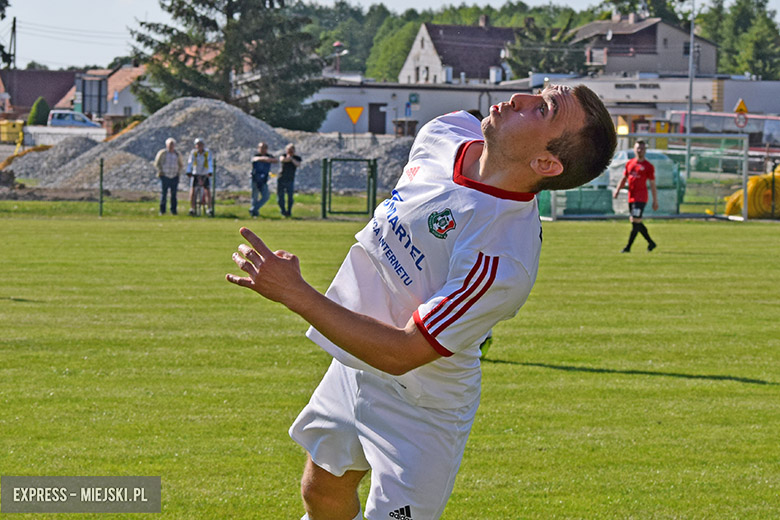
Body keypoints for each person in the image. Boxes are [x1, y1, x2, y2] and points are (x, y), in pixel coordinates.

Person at [227, 84, 616, 520]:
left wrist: (296, 293)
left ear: (546, 162)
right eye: (537, 92)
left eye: (543, 108)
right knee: (319, 493)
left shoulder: (502, 256)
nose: (521, 98)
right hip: (355, 360)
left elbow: (403, 353)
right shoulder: (446, 130)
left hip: (420, 403)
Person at [613, 139, 658, 252]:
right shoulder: (630, 163)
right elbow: (624, 178)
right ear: (634, 149)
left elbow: (652, 184)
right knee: (635, 221)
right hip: (631, 197)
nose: (640, 150)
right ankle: (651, 243)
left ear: (645, 151)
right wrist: (617, 190)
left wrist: (655, 200)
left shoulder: (648, 166)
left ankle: (628, 247)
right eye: (638, 148)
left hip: (641, 198)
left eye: (642, 148)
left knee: (635, 220)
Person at [153, 137, 183, 215]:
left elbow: (181, 164)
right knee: (164, 193)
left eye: (172, 144)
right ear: (167, 145)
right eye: (170, 144)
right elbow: (157, 163)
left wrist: (178, 172)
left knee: (174, 194)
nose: (171, 146)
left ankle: (173, 210)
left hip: (174, 176)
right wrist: (160, 171)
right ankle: (162, 210)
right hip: (165, 175)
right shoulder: (163, 153)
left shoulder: (177, 154)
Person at [249, 142, 278, 217]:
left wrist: (268, 159)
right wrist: (265, 159)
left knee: (266, 196)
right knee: (254, 197)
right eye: (261, 148)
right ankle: (254, 213)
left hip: (264, 180)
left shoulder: (269, 156)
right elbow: (254, 159)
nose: (262, 149)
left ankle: (254, 209)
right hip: (255, 179)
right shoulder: (256, 155)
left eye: (264, 148)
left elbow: (276, 160)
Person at [186, 138, 214, 216]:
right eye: (198, 144)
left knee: (207, 191)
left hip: (205, 173)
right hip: (196, 173)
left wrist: (210, 171)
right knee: (193, 191)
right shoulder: (194, 153)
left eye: (201, 144)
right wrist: (188, 171)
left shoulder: (207, 153)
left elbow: (209, 161)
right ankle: (192, 208)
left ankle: (209, 209)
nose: (199, 146)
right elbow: (190, 162)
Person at [277, 143, 301, 217]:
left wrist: (291, 159)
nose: (290, 152)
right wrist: (288, 158)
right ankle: (283, 211)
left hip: (290, 179)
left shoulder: (297, 158)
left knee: (290, 197)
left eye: (291, 150)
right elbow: (282, 160)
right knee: (280, 197)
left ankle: (289, 212)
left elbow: (298, 164)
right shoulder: (283, 155)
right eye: (289, 150)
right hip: (281, 179)